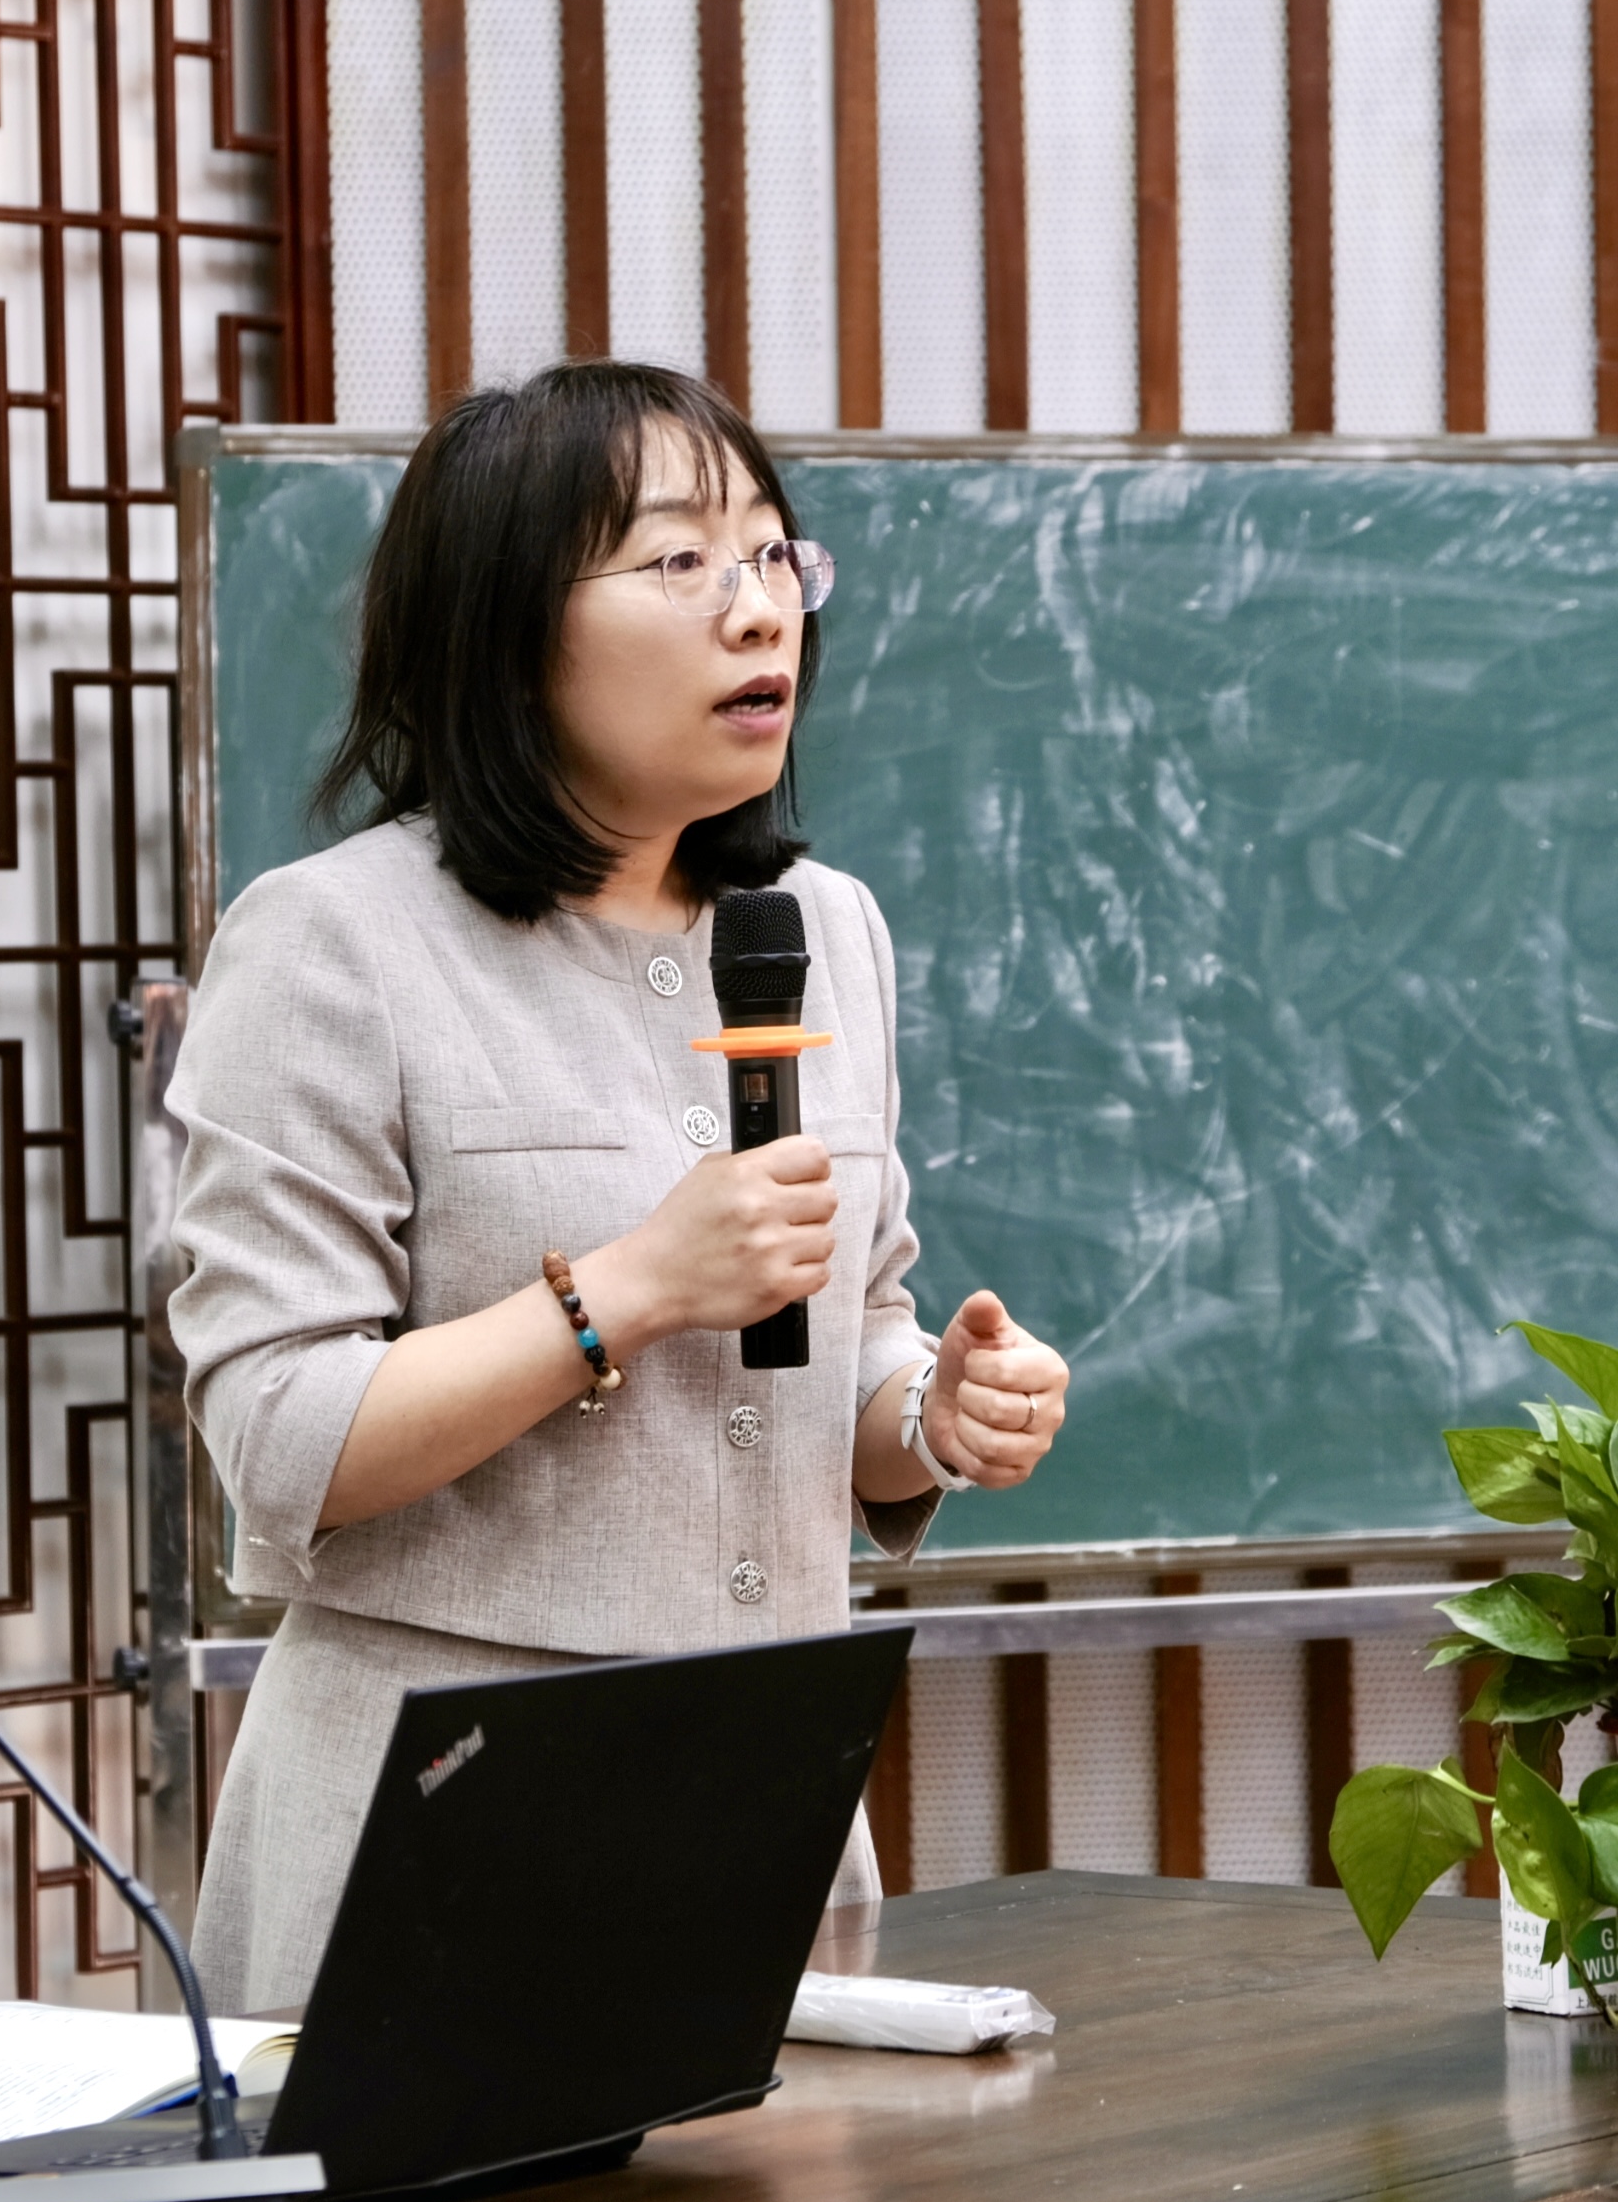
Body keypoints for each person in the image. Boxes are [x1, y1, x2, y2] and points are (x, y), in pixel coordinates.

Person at [167, 361, 1070, 2014]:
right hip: (441, 1818)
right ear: (509, 628)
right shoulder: (334, 944)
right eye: (681, 561)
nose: (759, 607)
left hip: (767, 1801)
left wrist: (930, 1408)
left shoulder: (822, 927)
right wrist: (627, 1291)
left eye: (774, 553)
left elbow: (847, 1331)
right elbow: (283, 1437)